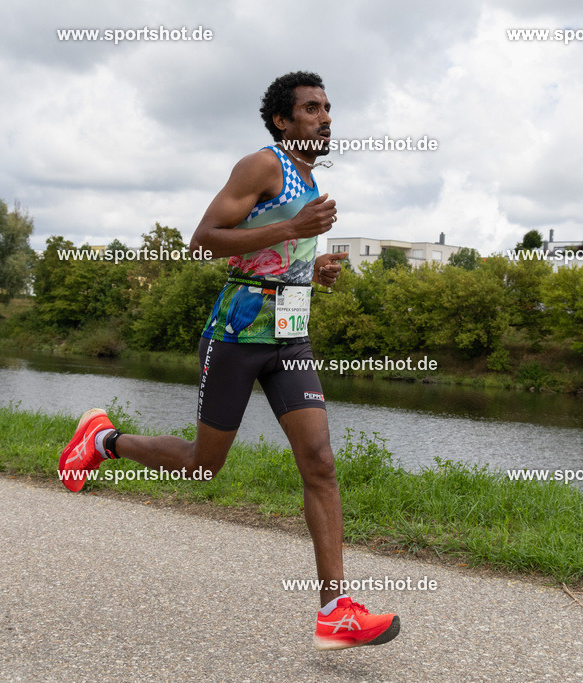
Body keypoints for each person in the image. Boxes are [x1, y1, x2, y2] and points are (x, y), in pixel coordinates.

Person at [58, 71, 400, 651]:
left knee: (318, 460)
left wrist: (311, 267)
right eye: (312, 109)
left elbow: (274, 252)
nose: (326, 118)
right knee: (201, 465)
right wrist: (295, 227)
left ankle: (336, 611)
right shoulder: (261, 166)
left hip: (291, 332)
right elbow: (204, 239)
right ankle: (103, 439)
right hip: (237, 332)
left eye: (328, 108)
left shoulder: (310, 177)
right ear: (282, 121)